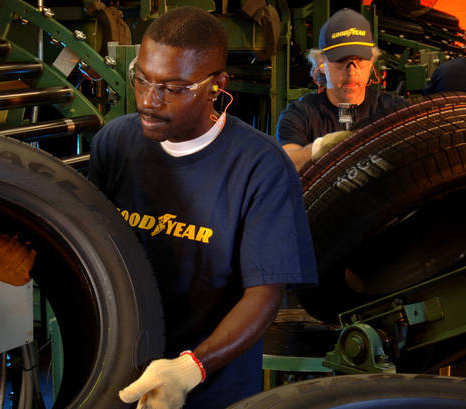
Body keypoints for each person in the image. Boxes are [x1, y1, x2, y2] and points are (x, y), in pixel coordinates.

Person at [87, 6, 317, 409]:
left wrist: (189, 369)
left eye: (174, 88)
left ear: (217, 85)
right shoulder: (116, 143)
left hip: (209, 385)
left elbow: (264, 293)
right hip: (118, 375)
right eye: (142, 79)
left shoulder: (260, 166)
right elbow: (87, 241)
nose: (149, 100)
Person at [275, 8, 403, 170]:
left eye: (359, 60)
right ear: (322, 63)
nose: (351, 71)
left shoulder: (393, 110)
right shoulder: (300, 115)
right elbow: (286, 163)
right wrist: (318, 149)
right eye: (341, 61)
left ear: (371, 62)